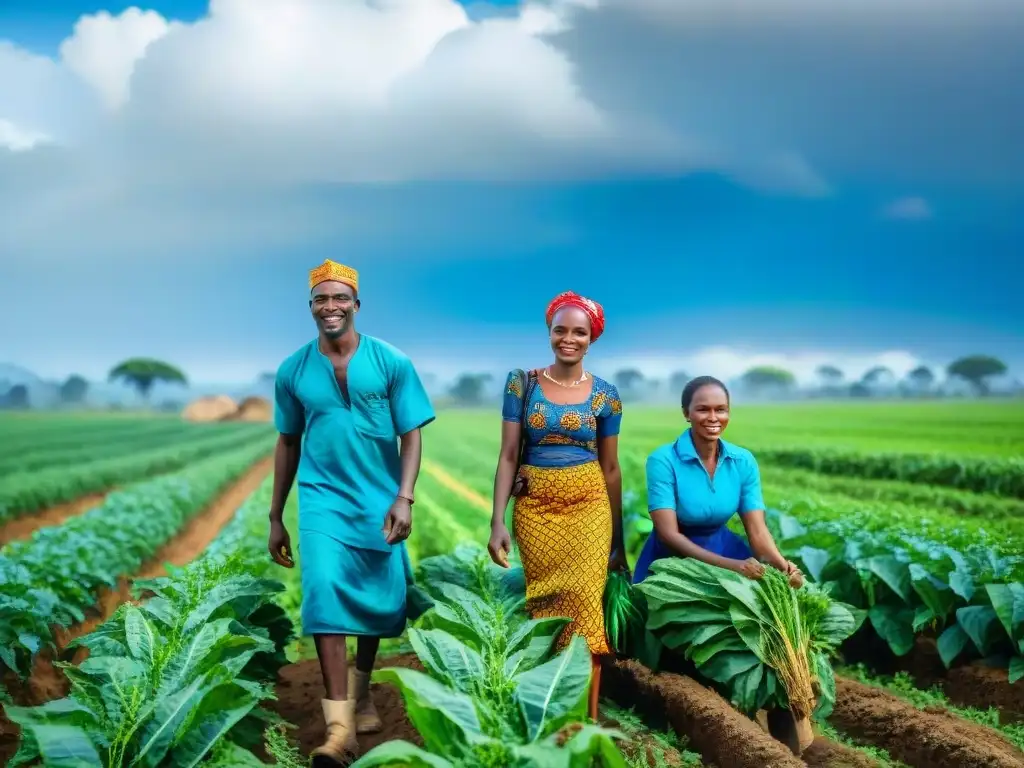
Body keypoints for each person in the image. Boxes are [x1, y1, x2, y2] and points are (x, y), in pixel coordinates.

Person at [268, 259, 435, 766]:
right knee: (323, 592)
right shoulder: (293, 370)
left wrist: (403, 497)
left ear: (357, 305)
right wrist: (276, 515)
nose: (331, 307)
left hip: (379, 496)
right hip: (322, 498)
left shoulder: (391, 363)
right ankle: (339, 732)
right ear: (310, 307)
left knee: (376, 601)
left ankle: (361, 693)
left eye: (340, 298)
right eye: (321, 299)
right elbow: (287, 441)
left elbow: (412, 434)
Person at [488, 290, 627, 722]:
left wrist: (617, 541)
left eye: (579, 332)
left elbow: (611, 468)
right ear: (549, 332)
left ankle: (587, 718)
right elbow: (509, 454)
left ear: (592, 338)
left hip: (589, 505)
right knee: (547, 606)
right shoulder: (521, 383)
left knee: (586, 604)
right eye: (560, 330)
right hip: (536, 508)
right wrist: (496, 521)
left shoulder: (606, 395)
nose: (569, 338)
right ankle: (551, 711)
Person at [632, 374, 803, 586]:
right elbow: (669, 535)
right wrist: (732, 566)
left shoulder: (743, 461)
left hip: (725, 548)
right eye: (703, 409)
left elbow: (757, 531)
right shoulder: (663, 460)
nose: (713, 417)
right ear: (687, 413)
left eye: (720, 409)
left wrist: (784, 567)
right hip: (673, 561)